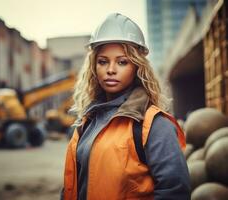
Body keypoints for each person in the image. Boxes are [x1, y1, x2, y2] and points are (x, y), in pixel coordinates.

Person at [61, 13, 190, 200]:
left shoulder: (154, 125)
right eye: (103, 61)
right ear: (94, 68)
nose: (110, 69)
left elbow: (175, 192)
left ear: (137, 67)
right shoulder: (87, 121)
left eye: (122, 62)